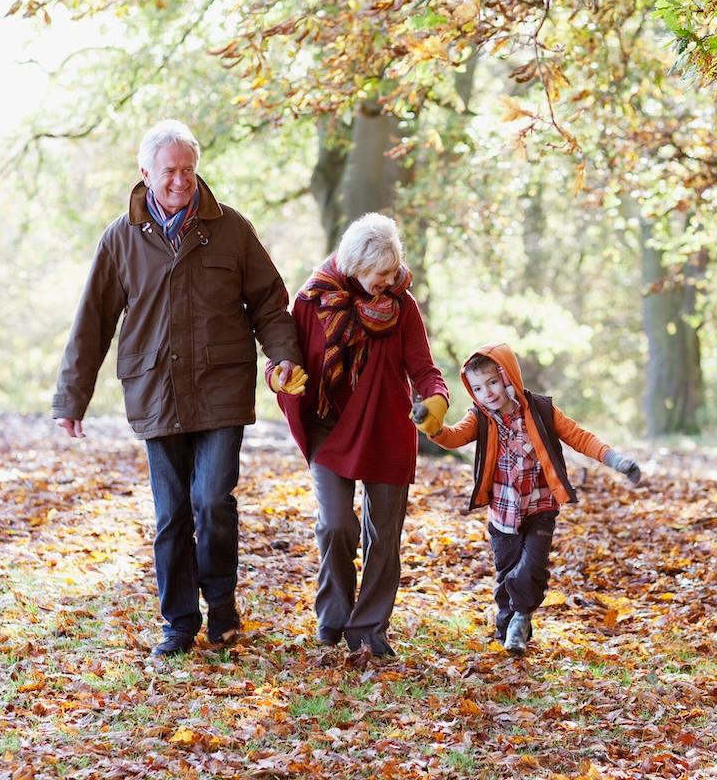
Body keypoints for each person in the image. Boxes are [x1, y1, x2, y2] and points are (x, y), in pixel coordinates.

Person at [52, 119, 306, 658]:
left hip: (221, 388)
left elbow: (268, 303)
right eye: (169, 171)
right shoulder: (121, 238)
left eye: (189, 170)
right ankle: (178, 623)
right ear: (145, 173)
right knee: (172, 515)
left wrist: (283, 356)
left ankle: (221, 609)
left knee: (213, 500)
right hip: (154, 390)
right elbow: (92, 322)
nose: (180, 180)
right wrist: (71, 398)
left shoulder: (231, 229)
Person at [274, 213, 448, 657]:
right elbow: (285, 359)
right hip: (329, 428)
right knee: (336, 524)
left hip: (387, 427)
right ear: (353, 266)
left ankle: (370, 628)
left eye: (394, 272)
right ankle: (333, 618)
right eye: (379, 275)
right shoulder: (312, 301)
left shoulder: (402, 306)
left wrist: (436, 398)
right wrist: (281, 377)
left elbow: (424, 369)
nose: (389, 283)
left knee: (384, 534)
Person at [421, 343, 642, 655]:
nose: (488, 393)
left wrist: (616, 460)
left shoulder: (540, 410)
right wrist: (433, 427)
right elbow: (453, 436)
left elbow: (580, 437)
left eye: (493, 382)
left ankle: (522, 616)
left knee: (530, 569)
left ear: (508, 375)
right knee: (505, 579)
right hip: (502, 515)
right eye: (479, 388)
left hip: (539, 508)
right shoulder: (480, 418)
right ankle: (509, 631)